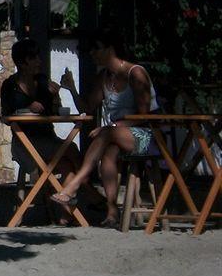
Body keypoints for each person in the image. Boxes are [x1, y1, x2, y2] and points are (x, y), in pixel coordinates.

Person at [52, 28, 160, 228]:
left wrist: (111, 127)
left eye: (96, 49)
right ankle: (112, 210)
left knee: (106, 133)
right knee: (108, 153)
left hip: (146, 137)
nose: (92, 53)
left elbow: (144, 115)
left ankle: (73, 187)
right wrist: (72, 89)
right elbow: (87, 107)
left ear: (111, 49)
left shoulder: (135, 73)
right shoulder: (104, 77)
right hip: (115, 136)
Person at [1, 38, 91, 224]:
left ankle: (64, 217)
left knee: (66, 164)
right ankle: (91, 192)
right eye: (34, 58)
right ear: (22, 62)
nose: (39, 61)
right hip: (26, 143)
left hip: (48, 140)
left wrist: (56, 96)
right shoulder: (10, 86)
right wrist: (27, 109)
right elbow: (5, 117)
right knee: (71, 149)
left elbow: (52, 110)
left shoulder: (42, 82)